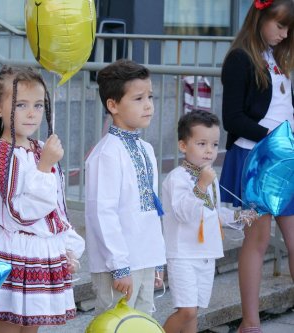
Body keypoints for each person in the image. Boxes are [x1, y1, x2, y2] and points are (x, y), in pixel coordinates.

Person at [0, 65, 85, 333]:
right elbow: (20, 212)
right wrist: (45, 166)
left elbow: (56, 208)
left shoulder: (39, 149)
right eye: (21, 104)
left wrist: (67, 245)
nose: (31, 113)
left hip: (42, 253)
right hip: (15, 250)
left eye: (38, 105)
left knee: (31, 330)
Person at [219, 1, 294, 332]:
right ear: (260, 17)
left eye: (288, 28)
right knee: (258, 240)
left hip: (284, 158)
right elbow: (232, 118)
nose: (285, 34)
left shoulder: (276, 58)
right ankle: (250, 324)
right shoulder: (240, 59)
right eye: (280, 26)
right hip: (255, 157)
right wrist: (275, 140)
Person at [162, 110, 258, 333]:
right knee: (187, 311)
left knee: (194, 311)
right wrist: (202, 185)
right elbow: (184, 213)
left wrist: (239, 216)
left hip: (206, 253)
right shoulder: (177, 178)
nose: (209, 151)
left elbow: (210, 212)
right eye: (202, 143)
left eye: (214, 144)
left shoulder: (207, 176)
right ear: (183, 146)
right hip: (183, 253)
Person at [85, 59, 166, 315]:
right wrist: (120, 265)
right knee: (115, 325)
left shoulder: (146, 149)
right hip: (118, 267)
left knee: (142, 324)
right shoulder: (106, 154)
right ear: (113, 105)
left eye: (150, 97)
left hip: (144, 258)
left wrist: (157, 261)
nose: (148, 105)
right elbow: (102, 214)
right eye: (139, 98)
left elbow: (151, 210)